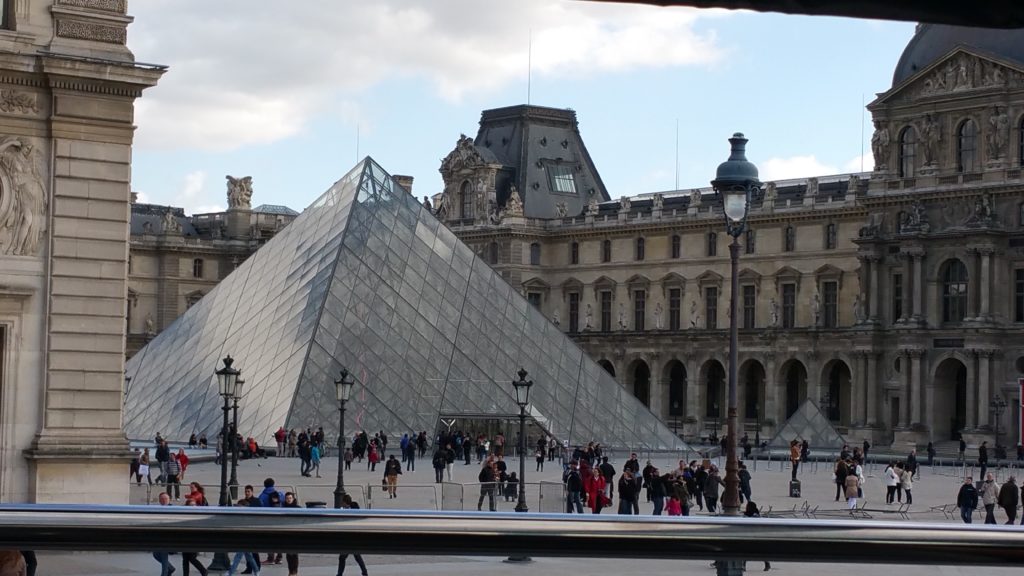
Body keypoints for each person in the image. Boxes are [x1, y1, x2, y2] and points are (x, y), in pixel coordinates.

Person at [337, 494, 369, 576]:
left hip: (351, 537)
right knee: (356, 556)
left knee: (343, 557)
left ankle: (340, 574)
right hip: (352, 537)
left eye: (342, 502)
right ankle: (364, 572)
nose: (341, 504)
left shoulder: (352, 509)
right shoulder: (347, 509)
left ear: (345, 502)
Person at [181, 497, 209, 576]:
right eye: (191, 505)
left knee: (191, 557)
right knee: (185, 558)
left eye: (194, 505)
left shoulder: (198, 515)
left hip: (194, 539)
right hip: (185, 539)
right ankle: (186, 574)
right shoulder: (185, 515)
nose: (193, 506)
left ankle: (203, 571)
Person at [152, 492, 176, 576]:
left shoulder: (173, 509)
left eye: (166, 499)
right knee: (155, 554)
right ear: (159, 500)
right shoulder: (158, 509)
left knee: (163, 556)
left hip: (168, 537)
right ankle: (170, 568)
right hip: (159, 536)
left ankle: (164, 573)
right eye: (162, 499)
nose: (164, 500)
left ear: (169, 499)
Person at [743, 501, 771, 571]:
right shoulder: (747, 515)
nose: (746, 507)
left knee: (758, 551)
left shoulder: (754, 516)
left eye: (747, 506)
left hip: (755, 536)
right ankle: (743, 565)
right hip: (750, 536)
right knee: (747, 551)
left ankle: (767, 564)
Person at [283, 492, 301, 576]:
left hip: (295, 533)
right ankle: (291, 571)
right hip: (286, 534)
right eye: (287, 498)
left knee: (294, 554)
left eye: (290, 498)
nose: (288, 500)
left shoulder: (298, 508)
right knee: (288, 554)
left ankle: (294, 572)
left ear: (293, 499)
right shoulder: (282, 508)